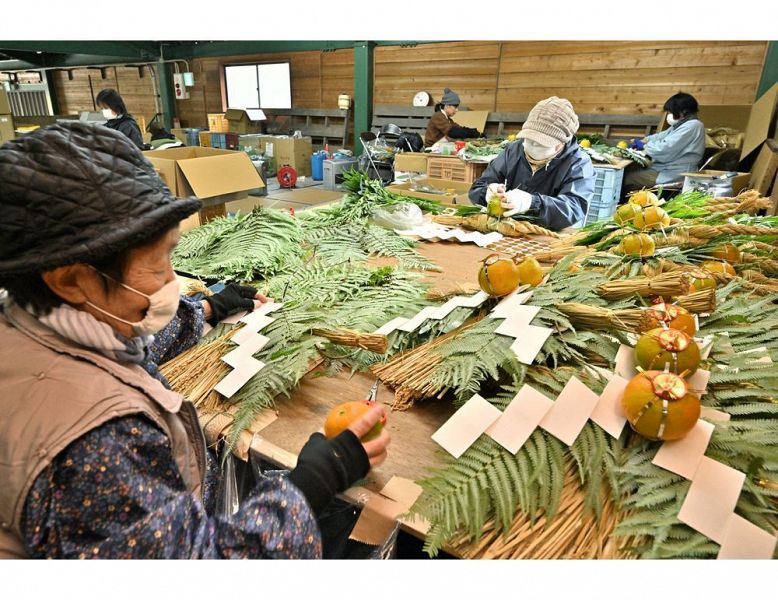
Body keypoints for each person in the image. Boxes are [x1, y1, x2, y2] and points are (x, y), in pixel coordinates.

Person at [0, 122, 390, 559]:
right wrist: (312, 485)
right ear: (72, 279)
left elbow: (127, 349)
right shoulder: (98, 444)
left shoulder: (29, 322)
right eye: (157, 263)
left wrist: (207, 308)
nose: (173, 279)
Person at [469, 96, 595, 231]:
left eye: (540, 143)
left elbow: (574, 208)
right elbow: (477, 188)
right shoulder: (514, 151)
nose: (532, 145)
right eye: (529, 139)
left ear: (560, 143)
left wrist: (531, 203)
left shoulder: (578, 163)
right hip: (511, 227)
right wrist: (487, 193)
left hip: (551, 233)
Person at [622, 92, 705, 195]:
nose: (669, 115)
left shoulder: (692, 126)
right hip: (667, 168)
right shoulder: (680, 125)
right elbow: (660, 136)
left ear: (683, 111)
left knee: (627, 177)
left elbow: (664, 148)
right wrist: (644, 140)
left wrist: (644, 146)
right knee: (631, 170)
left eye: (671, 112)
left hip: (674, 172)